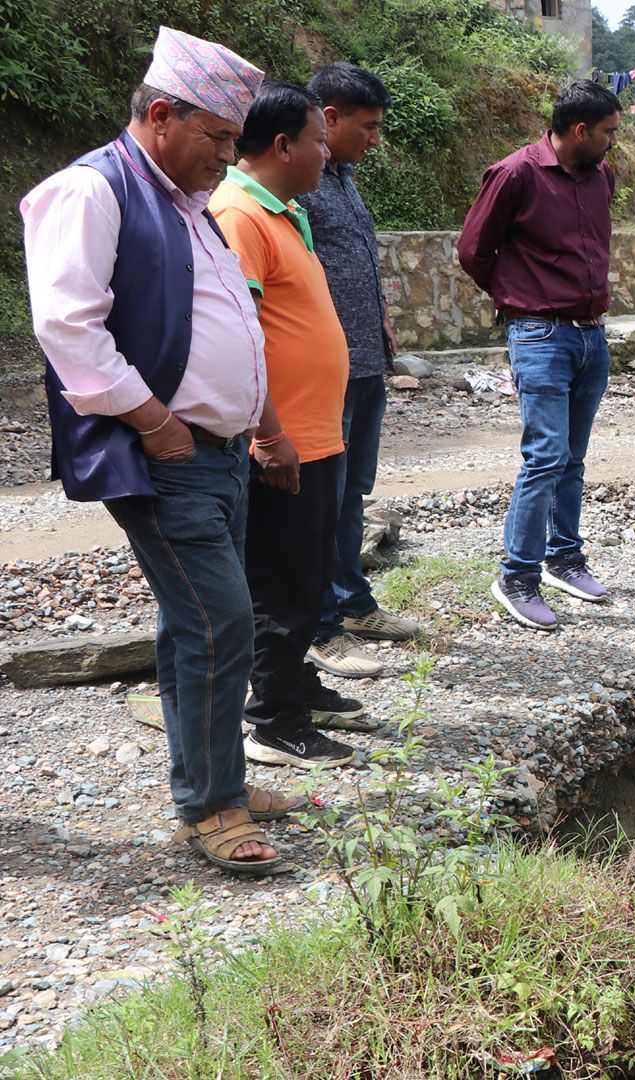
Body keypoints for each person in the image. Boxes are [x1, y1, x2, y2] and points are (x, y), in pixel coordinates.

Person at [20, 26, 305, 875]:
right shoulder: (91, 190)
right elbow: (67, 325)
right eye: (217, 137)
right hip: (166, 454)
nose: (227, 154)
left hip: (220, 451)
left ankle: (217, 781)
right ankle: (213, 808)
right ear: (161, 113)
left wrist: (263, 424)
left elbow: (230, 325)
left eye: (231, 139)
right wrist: (155, 421)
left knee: (196, 625)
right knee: (218, 619)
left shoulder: (186, 202)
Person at [210, 79, 366, 770]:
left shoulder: (281, 210)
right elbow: (236, 337)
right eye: (318, 142)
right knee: (284, 580)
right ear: (283, 145)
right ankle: (275, 718)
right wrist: (268, 434)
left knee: (307, 570)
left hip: (315, 432)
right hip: (284, 439)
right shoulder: (240, 213)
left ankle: (294, 684)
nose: (326, 156)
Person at [457, 79, 621, 631]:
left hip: (590, 336)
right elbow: (473, 250)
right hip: (540, 335)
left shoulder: (600, 175)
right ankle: (517, 574)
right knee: (546, 455)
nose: (612, 142)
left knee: (573, 456)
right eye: (608, 132)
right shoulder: (516, 173)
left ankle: (563, 559)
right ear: (580, 130)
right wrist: (520, 297)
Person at [303, 62, 422, 681]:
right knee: (322, 499)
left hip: (366, 360)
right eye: (368, 127)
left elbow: (351, 258)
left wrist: (379, 315)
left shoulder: (343, 177)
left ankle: (353, 603)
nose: (376, 139)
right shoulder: (295, 179)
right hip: (324, 370)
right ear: (329, 117)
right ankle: (320, 627)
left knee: (353, 493)